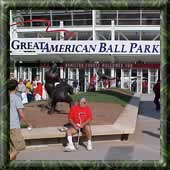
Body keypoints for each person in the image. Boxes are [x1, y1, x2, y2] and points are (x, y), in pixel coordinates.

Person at [8, 79, 32, 160]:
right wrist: (28, 124)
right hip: (14, 126)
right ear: (16, 87)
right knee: (20, 147)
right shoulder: (16, 98)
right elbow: (21, 114)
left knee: (12, 149)